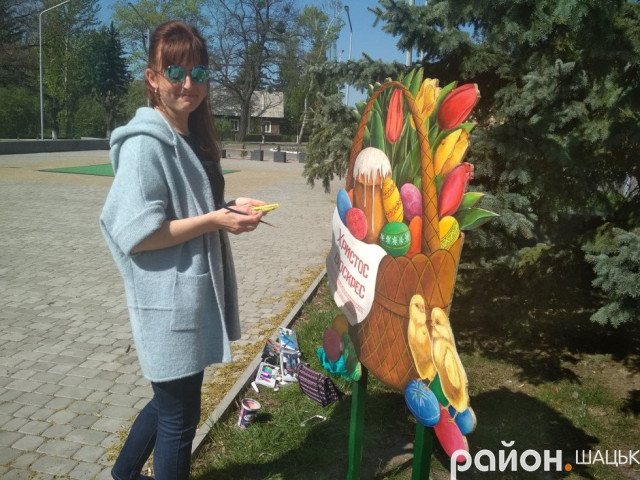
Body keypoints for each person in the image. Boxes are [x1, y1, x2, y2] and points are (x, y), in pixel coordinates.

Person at [100, 20, 266, 480]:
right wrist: (214, 220)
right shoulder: (144, 145)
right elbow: (138, 234)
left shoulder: (191, 136)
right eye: (175, 71)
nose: (188, 83)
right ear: (153, 78)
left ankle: (121, 476)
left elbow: (193, 208)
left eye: (199, 73)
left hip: (187, 298)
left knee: (168, 403)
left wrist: (227, 210)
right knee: (179, 419)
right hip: (167, 301)